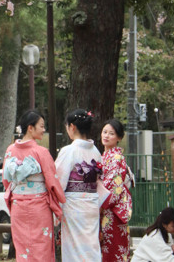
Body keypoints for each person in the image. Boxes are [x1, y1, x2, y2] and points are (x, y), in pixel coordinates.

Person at [2, 110, 65, 261]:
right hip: (39, 207)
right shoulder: (41, 152)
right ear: (30, 128)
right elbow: (53, 182)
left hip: (18, 205)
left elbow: (6, 181)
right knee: (41, 246)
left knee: (23, 247)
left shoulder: (10, 151)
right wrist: (61, 201)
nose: (44, 129)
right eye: (41, 126)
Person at [55, 108, 104, 262]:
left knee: (74, 249)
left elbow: (58, 182)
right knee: (91, 247)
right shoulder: (95, 151)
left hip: (74, 207)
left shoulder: (69, 151)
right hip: (91, 205)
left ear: (72, 127)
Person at [100, 119, 132, 262]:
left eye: (111, 133)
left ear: (119, 138)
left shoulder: (116, 158)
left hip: (111, 213)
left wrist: (98, 204)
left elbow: (114, 188)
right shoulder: (102, 156)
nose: (106, 136)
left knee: (113, 249)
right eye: (104, 132)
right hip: (102, 210)